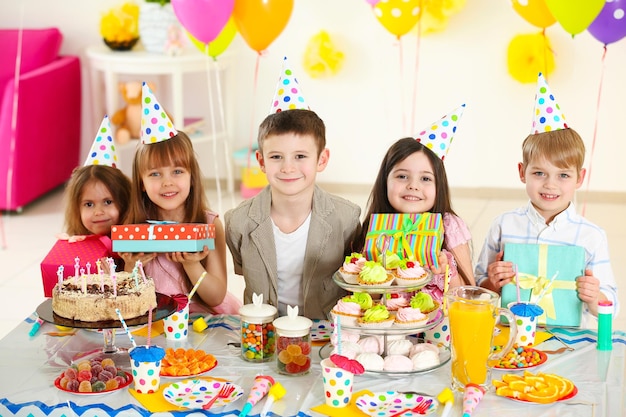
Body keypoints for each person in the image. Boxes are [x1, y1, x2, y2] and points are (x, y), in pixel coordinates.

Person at [475, 73, 618, 326]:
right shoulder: (503, 225)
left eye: (563, 175)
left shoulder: (592, 236)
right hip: (512, 339)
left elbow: (612, 306)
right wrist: (491, 282)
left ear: (579, 178)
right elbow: (477, 289)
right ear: (522, 172)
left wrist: (595, 298)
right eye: (539, 173)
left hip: (573, 340)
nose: (550, 184)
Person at [224, 109, 362, 319]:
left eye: (300, 156)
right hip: (263, 337)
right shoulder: (238, 221)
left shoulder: (346, 218)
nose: (288, 168)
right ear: (261, 162)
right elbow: (245, 270)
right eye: (276, 157)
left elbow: (353, 279)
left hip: (325, 333)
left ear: (322, 159)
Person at [121, 82, 241, 315]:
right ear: (142, 184)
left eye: (177, 172)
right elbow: (128, 299)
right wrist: (131, 265)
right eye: (155, 174)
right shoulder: (135, 230)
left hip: (203, 318)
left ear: (192, 177)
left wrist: (191, 264)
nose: (167, 182)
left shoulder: (209, 224)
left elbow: (216, 296)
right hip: (153, 321)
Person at [355, 137, 476, 300]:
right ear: (385, 181)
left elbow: (468, 295)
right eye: (402, 176)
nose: (413, 185)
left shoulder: (449, 225)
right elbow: (369, 298)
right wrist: (374, 271)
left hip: (439, 322)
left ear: (439, 186)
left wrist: (447, 270)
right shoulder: (376, 229)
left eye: (425, 178)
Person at [61, 116, 131, 271]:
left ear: (124, 202)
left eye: (107, 202)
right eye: (89, 204)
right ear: (76, 208)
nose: (98, 212)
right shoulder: (76, 245)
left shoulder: (135, 248)